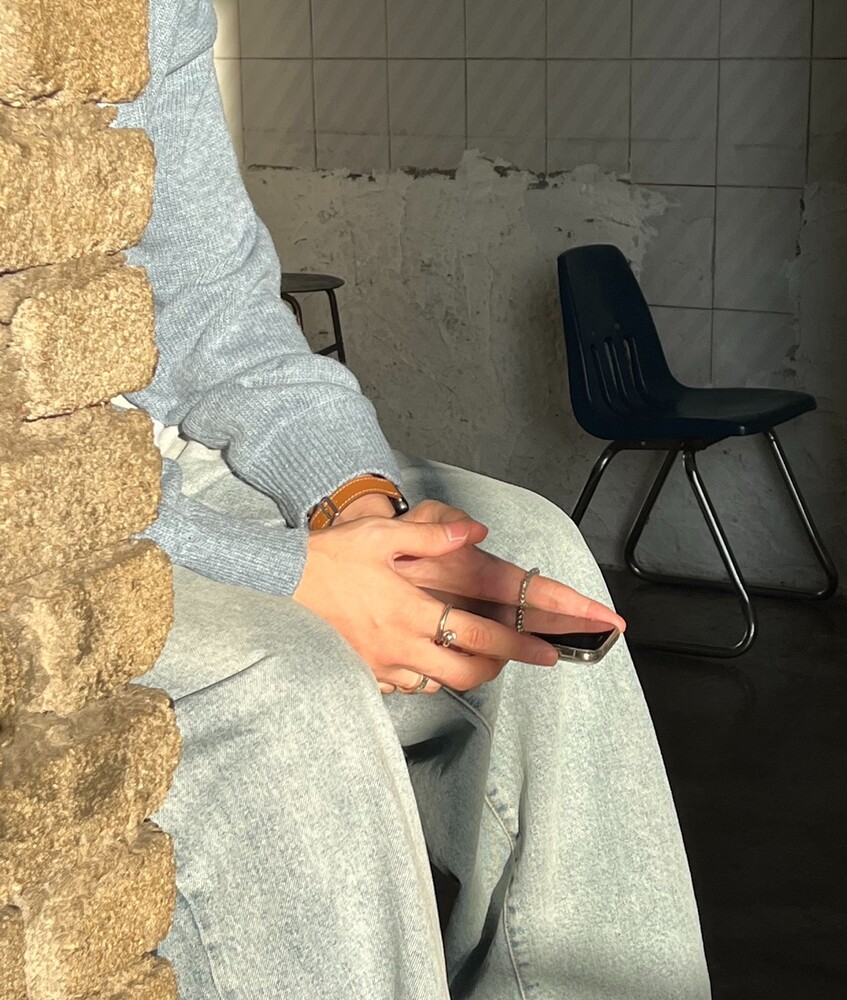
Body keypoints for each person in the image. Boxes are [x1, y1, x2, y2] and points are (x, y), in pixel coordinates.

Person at [116, 0, 711, 996]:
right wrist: (287, 574)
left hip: (150, 443)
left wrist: (360, 512)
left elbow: (218, 317)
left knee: (526, 563)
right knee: (292, 680)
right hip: (48, 513)